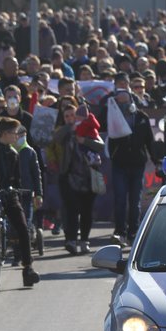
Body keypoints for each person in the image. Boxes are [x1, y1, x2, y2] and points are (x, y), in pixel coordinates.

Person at [0, 117, 41, 285]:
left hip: (9, 195)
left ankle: (28, 267)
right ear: (5, 133)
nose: (17, 136)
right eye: (15, 133)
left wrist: (16, 190)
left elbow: (16, 180)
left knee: (23, 227)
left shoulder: (13, 153)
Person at [53, 103, 104, 254]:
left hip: (88, 177)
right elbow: (56, 138)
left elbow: (100, 146)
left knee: (86, 211)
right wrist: (70, 128)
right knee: (71, 210)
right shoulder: (65, 131)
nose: (70, 118)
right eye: (67, 116)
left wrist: (85, 141)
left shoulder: (88, 129)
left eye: (73, 115)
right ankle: (71, 239)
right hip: (69, 177)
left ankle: (84, 240)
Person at [107, 89, 155, 247]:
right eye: (120, 102)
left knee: (135, 200)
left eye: (126, 101)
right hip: (119, 163)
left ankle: (133, 232)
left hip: (137, 163)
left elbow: (150, 140)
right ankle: (120, 232)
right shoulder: (112, 117)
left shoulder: (141, 117)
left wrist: (157, 160)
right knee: (120, 199)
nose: (124, 104)